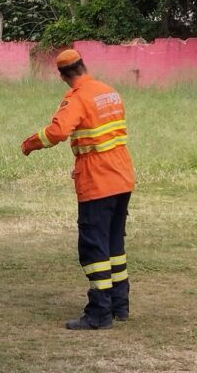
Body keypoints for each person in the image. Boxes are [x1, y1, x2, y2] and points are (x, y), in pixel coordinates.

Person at [20, 49, 136, 330]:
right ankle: (120, 305)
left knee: (93, 247)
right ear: (84, 65)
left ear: (63, 76)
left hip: (98, 180)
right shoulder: (109, 91)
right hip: (122, 176)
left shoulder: (77, 98)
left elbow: (58, 132)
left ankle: (99, 313)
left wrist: (30, 144)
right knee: (113, 244)